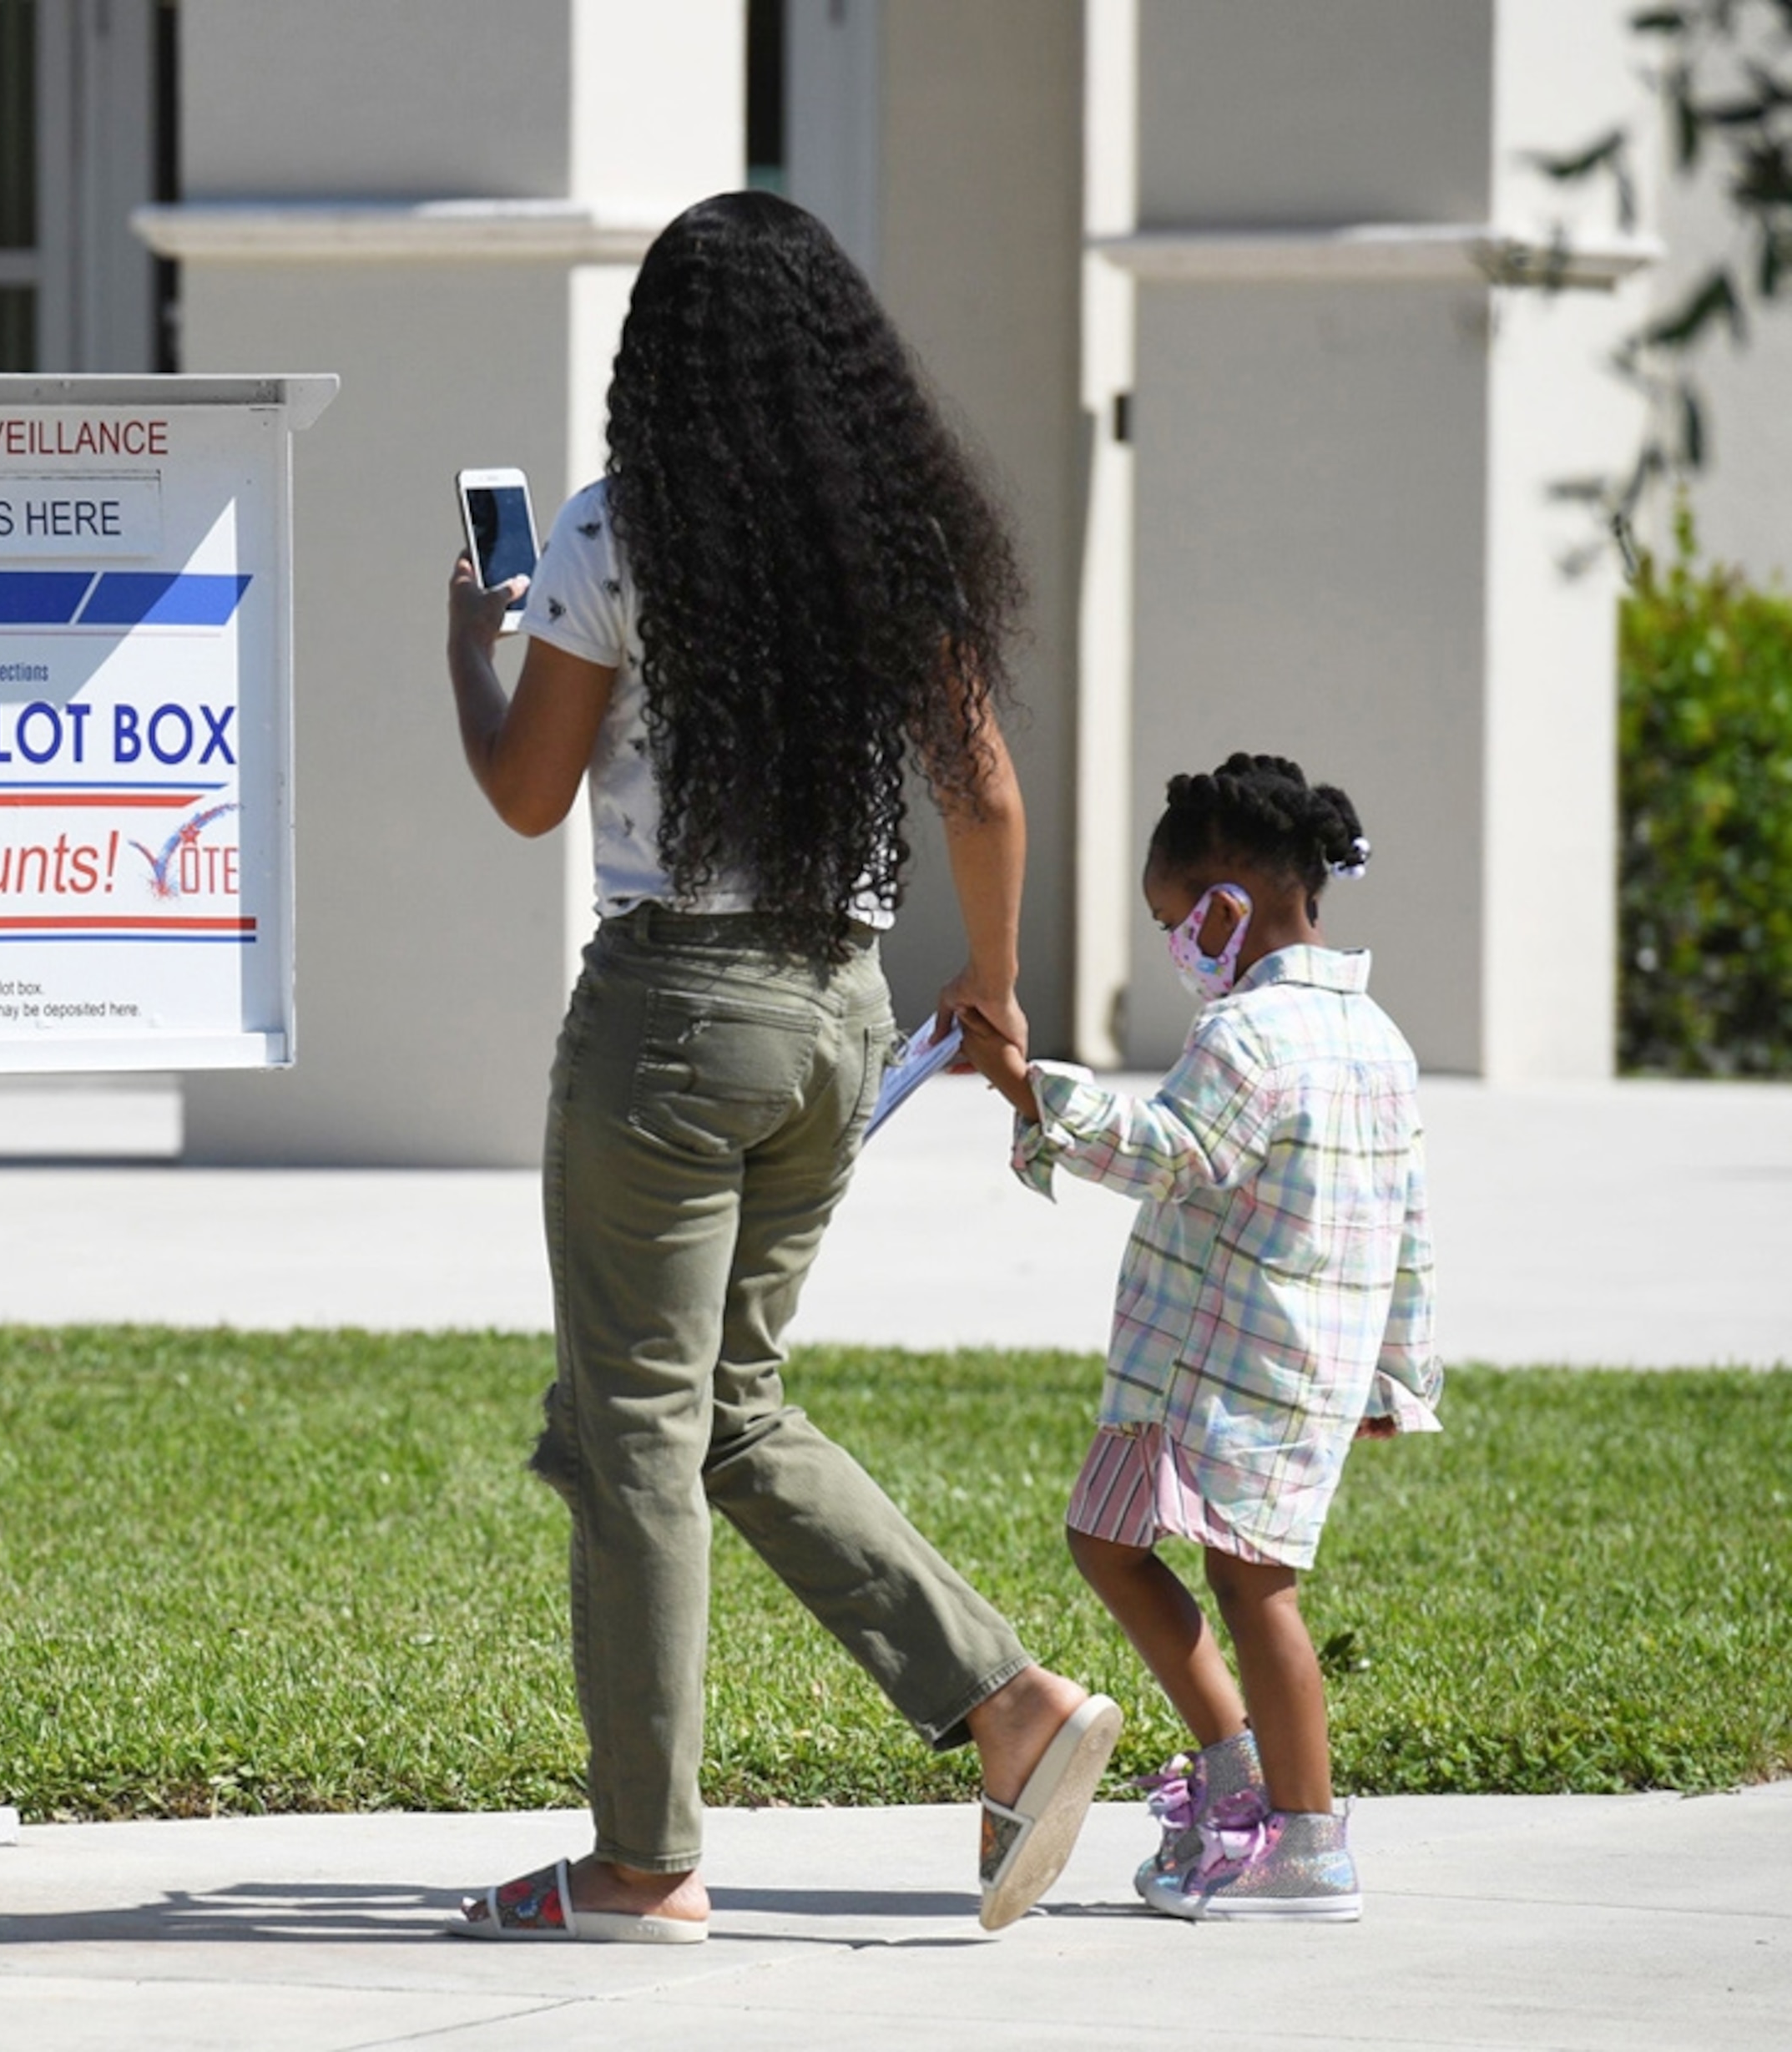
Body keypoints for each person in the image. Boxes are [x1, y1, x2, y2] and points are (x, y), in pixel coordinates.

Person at [440, 190, 1120, 1946]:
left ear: (657, 366)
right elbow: (984, 792)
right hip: (840, 1007)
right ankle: (1012, 1705)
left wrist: (475, 638)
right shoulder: (888, 542)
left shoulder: (615, 535)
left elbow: (526, 793)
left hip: (670, 1015)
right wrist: (993, 985)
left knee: (634, 1440)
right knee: (724, 1408)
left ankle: (644, 1863)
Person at [957, 752, 1441, 1923]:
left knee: (1251, 1583)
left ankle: (1308, 1839)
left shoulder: (1250, 1036)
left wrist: (1032, 1093)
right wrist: (1397, 1371)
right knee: (1112, 1534)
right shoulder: (1379, 1039)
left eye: (1179, 921)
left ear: (1231, 897)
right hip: (1293, 1366)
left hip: (1227, 1366)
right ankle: (1242, 1783)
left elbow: (1171, 1150)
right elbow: (1410, 1223)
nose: (1182, 947)